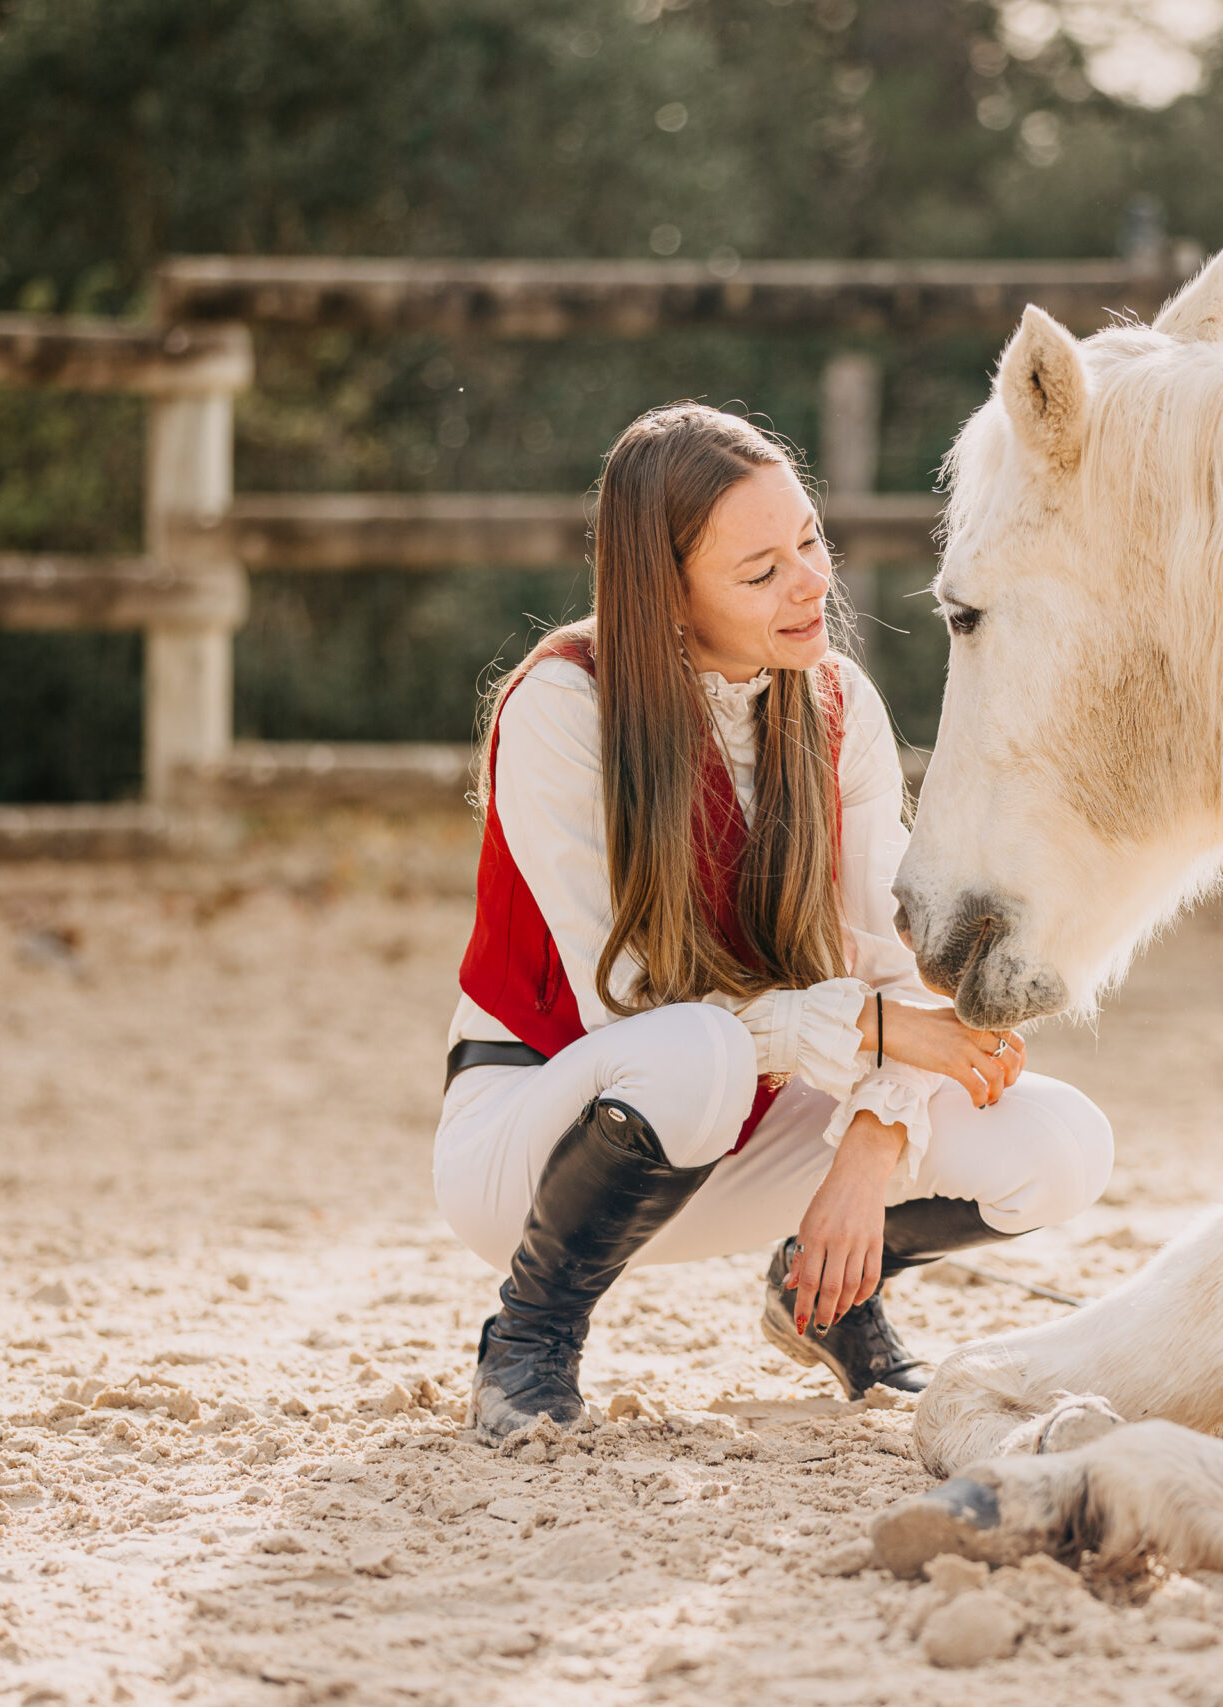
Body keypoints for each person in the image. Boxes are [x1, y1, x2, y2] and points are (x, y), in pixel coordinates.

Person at [433, 403, 1115, 1443]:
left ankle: (826, 1294)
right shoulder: (560, 710)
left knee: (1062, 1144)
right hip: (547, 1137)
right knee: (694, 1051)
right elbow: (624, 1004)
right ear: (666, 597)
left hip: (751, 1126)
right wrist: (873, 1036)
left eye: (807, 540)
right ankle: (530, 1336)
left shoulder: (836, 704)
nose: (810, 584)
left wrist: (869, 1152)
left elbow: (899, 971)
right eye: (760, 573)